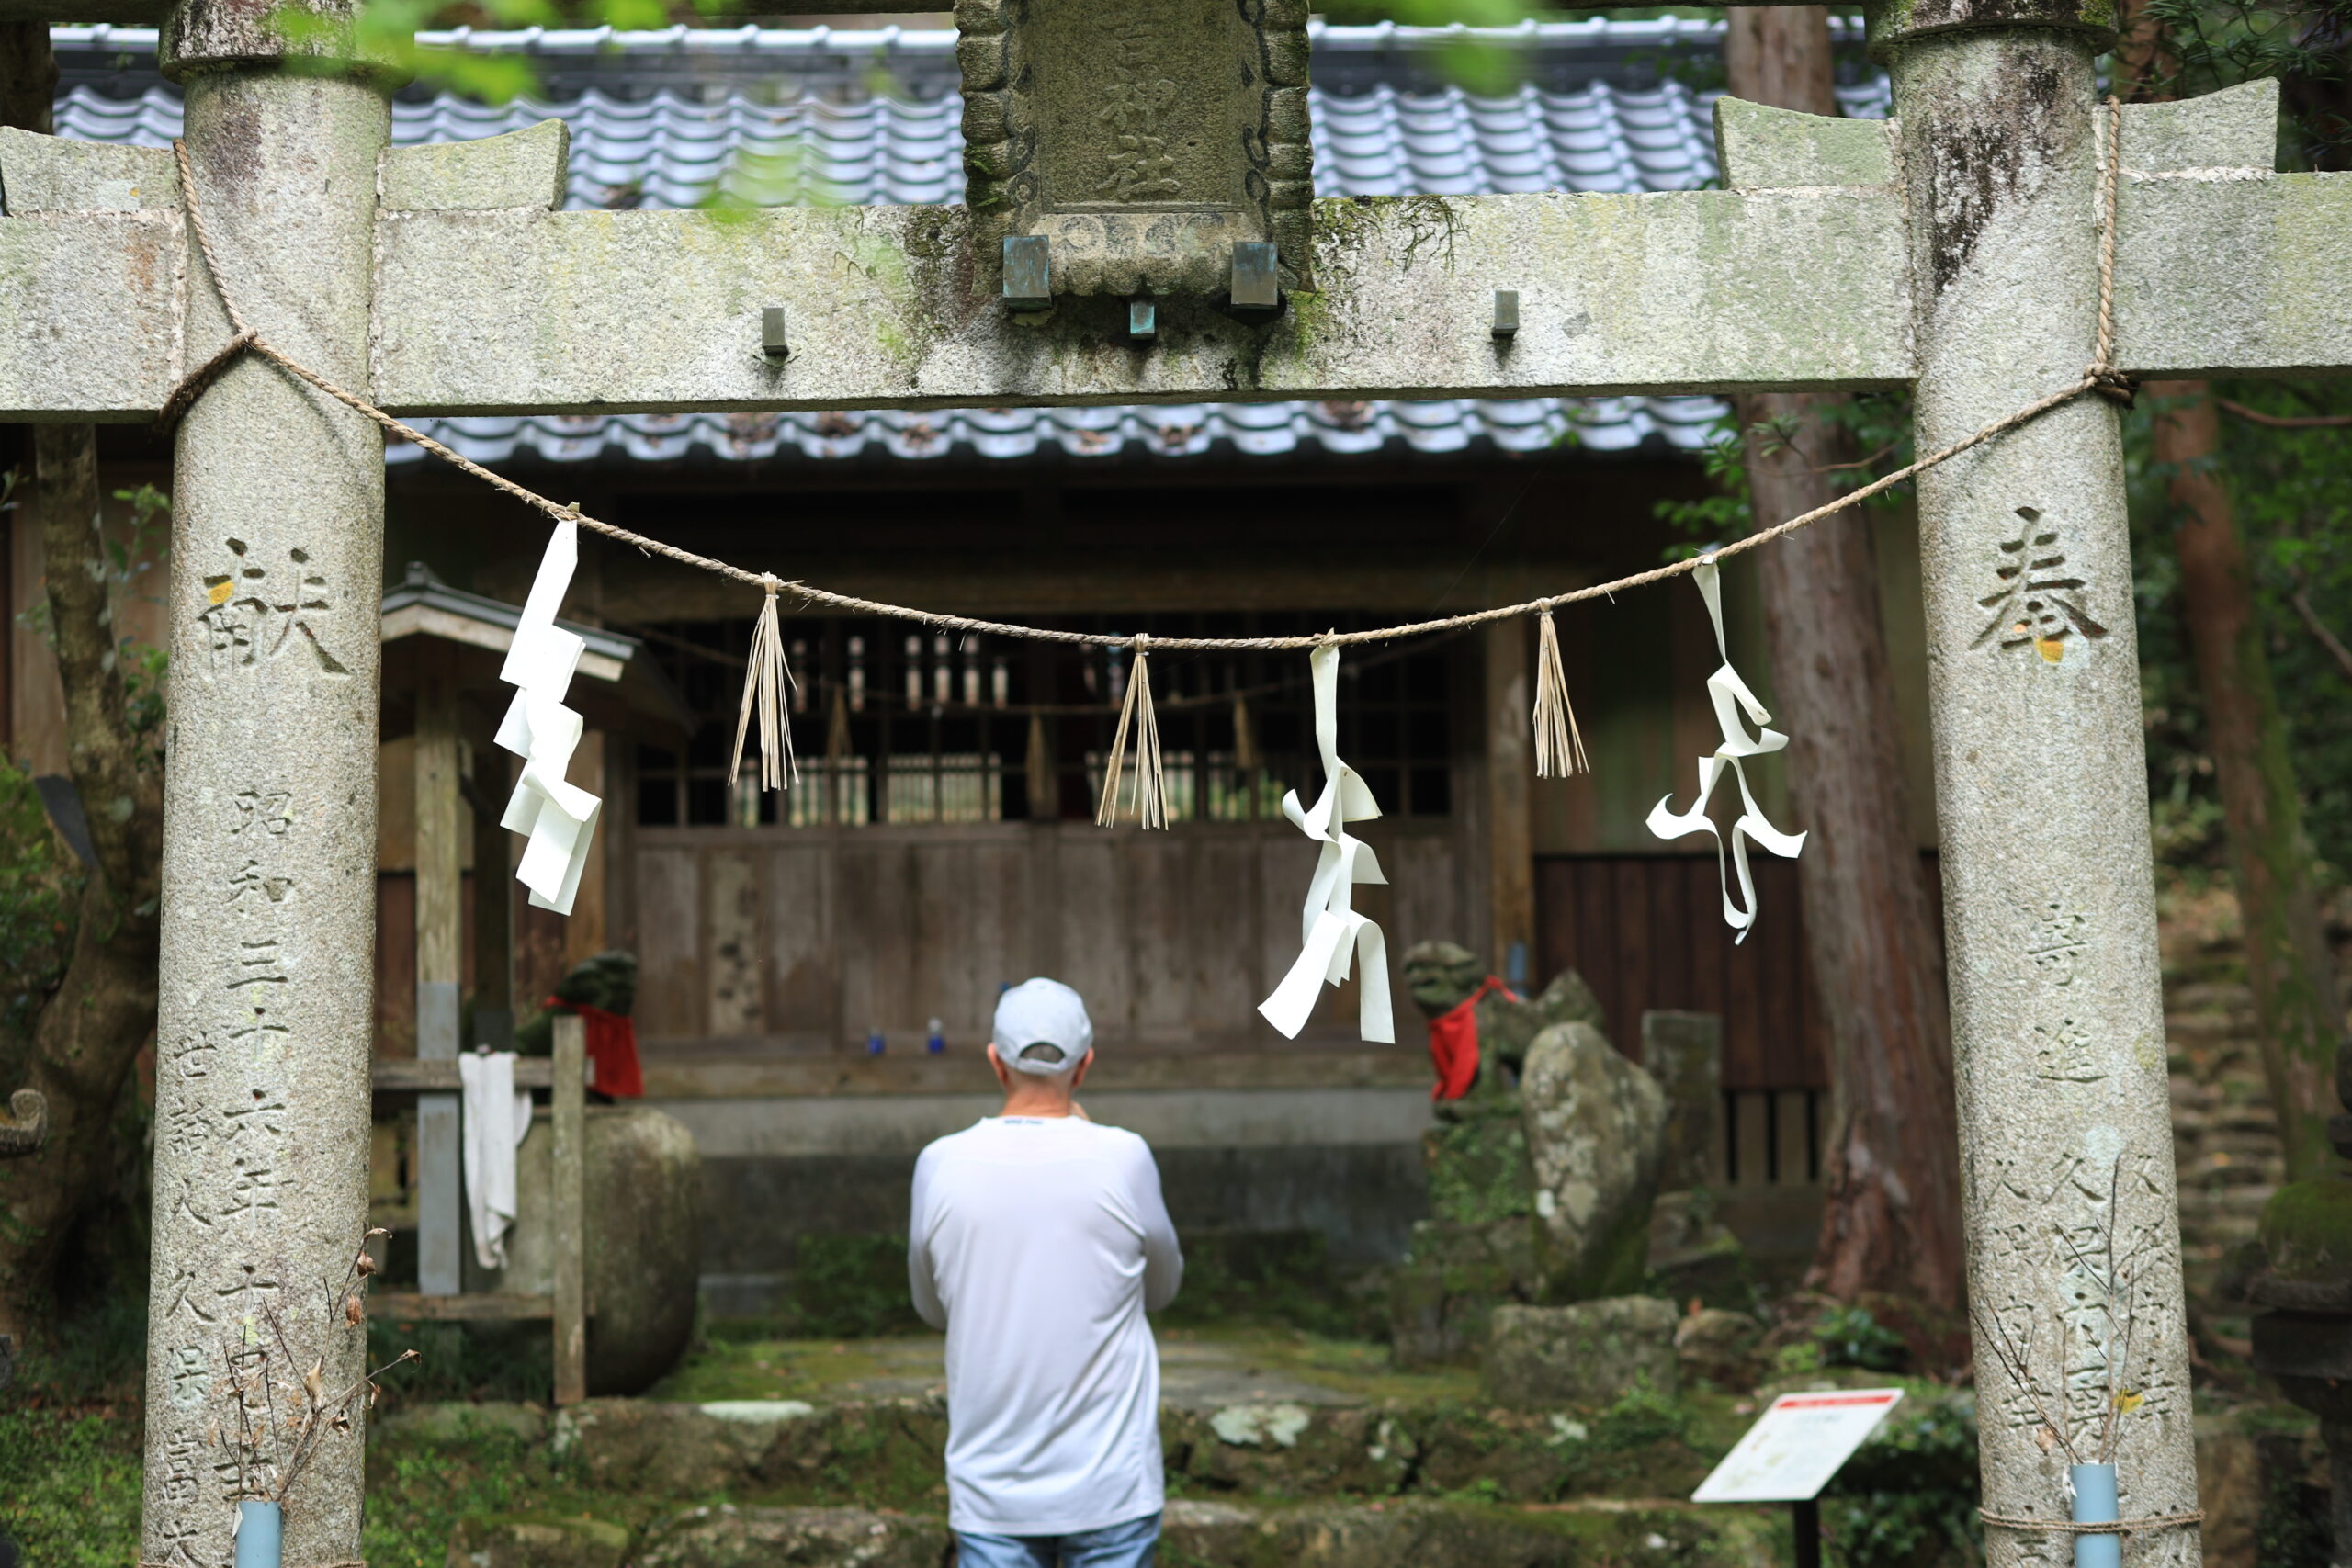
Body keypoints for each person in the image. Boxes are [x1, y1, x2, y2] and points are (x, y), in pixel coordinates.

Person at [909, 978, 1183, 1568]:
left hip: (991, 1490)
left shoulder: (940, 1163)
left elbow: (932, 1308)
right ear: (1085, 1066)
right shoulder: (1123, 1156)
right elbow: (1163, 1289)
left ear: (994, 1064)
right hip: (1111, 1481)